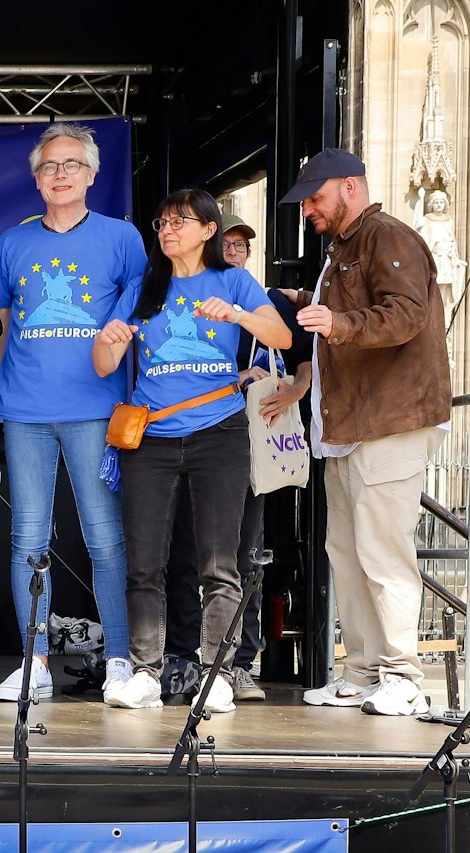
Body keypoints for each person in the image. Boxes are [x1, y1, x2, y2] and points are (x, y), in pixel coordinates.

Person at [92, 189, 291, 711]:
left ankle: (218, 675)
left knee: (219, 562)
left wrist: (240, 316)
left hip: (218, 433)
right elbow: (103, 365)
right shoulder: (144, 285)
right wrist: (110, 337)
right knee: (145, 563)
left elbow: (282, 337)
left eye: (180, 221)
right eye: (162, 221)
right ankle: (144, 672)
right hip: (152, 437)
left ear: (209, 230)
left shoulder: (233, 279)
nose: (167, 229)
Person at [282, 148, 453, 717]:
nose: (308, 209)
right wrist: (311, 304)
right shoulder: (345, 249)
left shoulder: (388, 236)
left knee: (383, 552)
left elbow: (406, 315)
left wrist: (338, 322)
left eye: (315, 196)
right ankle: (361, 673)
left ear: (350, 187)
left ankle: (404, 674)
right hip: (351, 426)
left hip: (390, 422)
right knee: (349, 554)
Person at [0, 123, 141, 702]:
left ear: (93, 175)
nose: (60, 174)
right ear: (36, 179)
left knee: (104, 538)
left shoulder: (123, 240)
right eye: (49, 167)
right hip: (24, 411)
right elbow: (0, 334)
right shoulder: (13, 242)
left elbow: (138, 323)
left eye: (71, 165)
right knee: (28, 536)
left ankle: (119, 657)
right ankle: (34, 660)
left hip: (96, 410)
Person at [158, 215, 313, 702]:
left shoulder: (262, 300)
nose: (234, 252)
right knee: (186, 551)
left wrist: (295, 389)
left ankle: (239, 662)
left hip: (251, 443)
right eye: (226, 244)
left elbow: (304, 352)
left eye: (242, 246)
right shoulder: (183, 291)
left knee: (241, 553)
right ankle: (182, 657)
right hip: (199, 435)